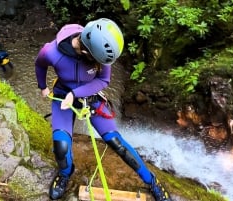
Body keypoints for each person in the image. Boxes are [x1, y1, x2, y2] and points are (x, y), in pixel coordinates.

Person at [35, 18, 172, 201]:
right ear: (85, 50)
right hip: (62, 97)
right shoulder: (52, 51)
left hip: (90, 99)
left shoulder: (100, 53)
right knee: (61, 146)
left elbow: (103, 81)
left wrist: (75, 94)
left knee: (118, 144)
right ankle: (65, 173)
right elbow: (40, 64)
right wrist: (43, 86)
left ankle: (152, 182)